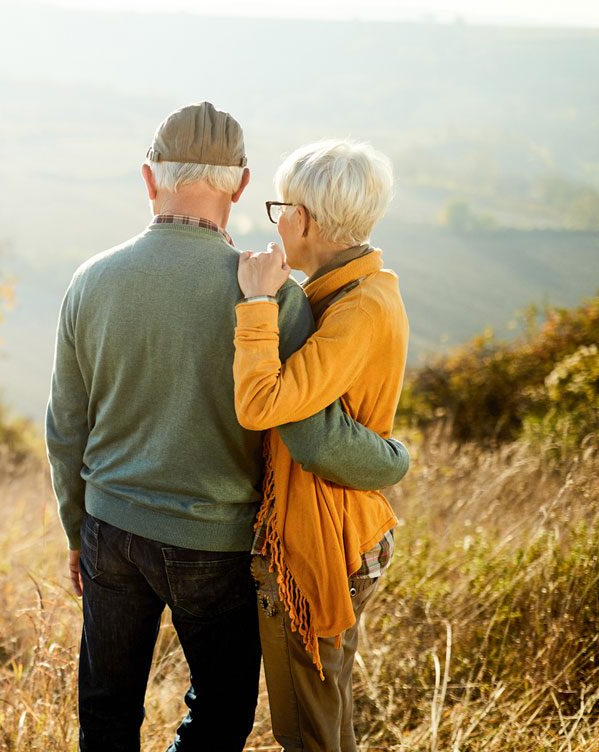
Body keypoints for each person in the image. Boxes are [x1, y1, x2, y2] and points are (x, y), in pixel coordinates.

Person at [45, 101, 411, 751]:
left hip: (108, 525)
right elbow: (311, 434)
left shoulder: (89, 281)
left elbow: (66, 425)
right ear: (241, 186)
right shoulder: (271, 299)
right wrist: (392, 460)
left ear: (148, 177)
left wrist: (77, 530)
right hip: (211, 544)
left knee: (106, 706)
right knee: (219, 711)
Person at [234, 139, 407, 752]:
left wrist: (256, 303)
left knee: (306, 728)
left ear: (301, 219)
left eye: (278, 206)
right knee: (325, 719)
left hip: (322, 535)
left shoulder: (358, 307)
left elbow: (264, 406)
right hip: (335, 524)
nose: (274, 218)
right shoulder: (343, 292)